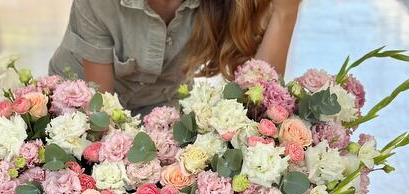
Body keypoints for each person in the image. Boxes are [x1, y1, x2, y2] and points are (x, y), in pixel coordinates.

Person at [49, 0, 301, 115]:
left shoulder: (226, 5)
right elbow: (99, 116)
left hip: (159, 104)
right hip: (79, 105)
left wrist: (285, 11)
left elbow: (262, 96)